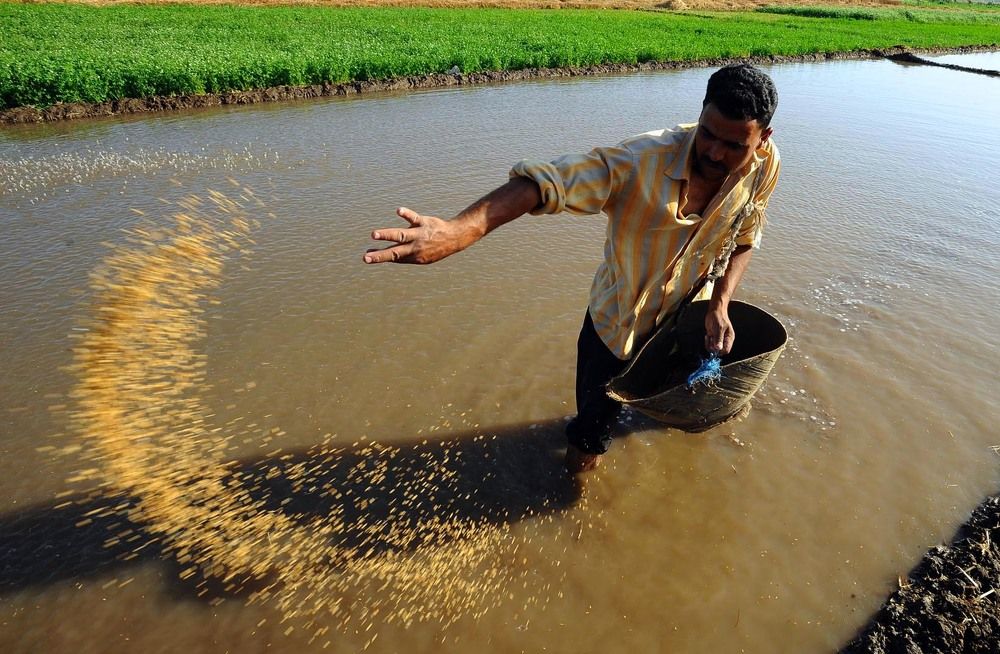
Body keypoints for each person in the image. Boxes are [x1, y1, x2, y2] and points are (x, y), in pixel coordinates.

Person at [363, 63, 781, 474]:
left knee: (671, 407)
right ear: (701, 112)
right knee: (589, 438)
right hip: (616, 329)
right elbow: (549, 182)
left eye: (734, 146)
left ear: (763, 139)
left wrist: (719, 304)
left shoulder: (766, 165)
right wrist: (461, 230)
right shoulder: (641, 161)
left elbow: (747, 232)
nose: (713, 152)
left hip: (687, 320)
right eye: (707, 134)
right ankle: (574, 490)